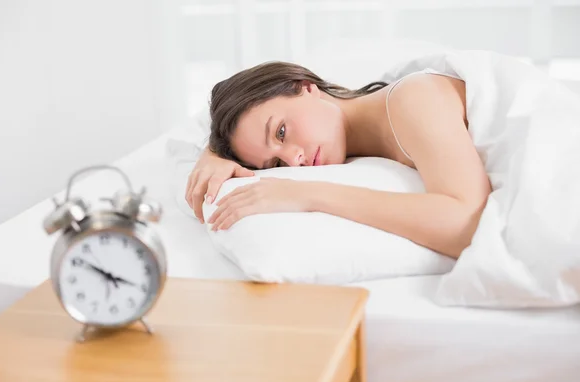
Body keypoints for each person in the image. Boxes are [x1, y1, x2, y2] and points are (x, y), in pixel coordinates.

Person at [185, 61, 492, 259]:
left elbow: (468, 225)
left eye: (280, 132)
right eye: (276, 165)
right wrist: (212, 154)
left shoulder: (413, 100)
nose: (294, 160)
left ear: (305, 87)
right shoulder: (352, 141)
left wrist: (308, 194)